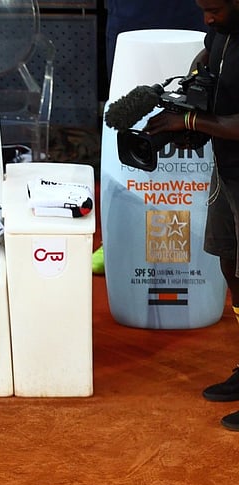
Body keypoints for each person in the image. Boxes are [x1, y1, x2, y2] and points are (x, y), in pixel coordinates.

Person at [143, 0, 239, 430]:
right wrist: (193, 85)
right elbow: (207, 57)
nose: (207, 18)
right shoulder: (221, 31)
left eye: (215, 8)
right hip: (229, 169)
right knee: (230, 263)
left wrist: (189, 121)